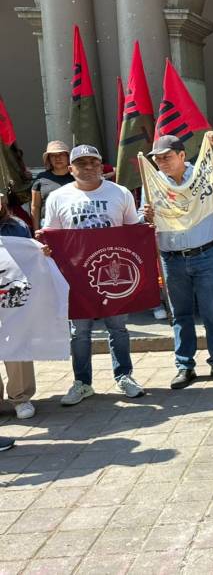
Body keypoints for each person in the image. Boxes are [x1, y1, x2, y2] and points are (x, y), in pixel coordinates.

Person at [39, 144, 146, 405]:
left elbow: (133, 231)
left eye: (93, 162)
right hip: (76, 277)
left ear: (101, 166)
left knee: (118, 328)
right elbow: (52, 235)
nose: (88, 167)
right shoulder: (58, 197)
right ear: (71, 168)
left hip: (113, 273)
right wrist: (44, 245)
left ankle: (124, 376)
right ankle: (83, 383)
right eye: (82, 163)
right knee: (80, 332)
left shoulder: (120, 193)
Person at [141, 132, 213, 390]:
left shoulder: (206, 173)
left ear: (182, 155)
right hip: (171, 259)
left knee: (212, 313)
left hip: (206, 255)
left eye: (167, 157)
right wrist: (145, 217)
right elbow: (142, 220)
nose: (162, 162)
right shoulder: (152, 182)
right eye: (158, 159)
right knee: (180, 314)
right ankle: (185, 365)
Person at [0, 192, 37, 419]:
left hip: (12, 291)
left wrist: (40, 253)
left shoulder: (17, 227)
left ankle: (21, 398)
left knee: (16, 343)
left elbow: (31, 257)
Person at [30, 141, 74, 232]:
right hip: (47, 224)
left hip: (73, 224)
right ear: (49, 159)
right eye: (53, 155)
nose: (58, 158)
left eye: (62, 154)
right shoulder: (41, 178)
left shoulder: (77, 177)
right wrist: (36, 230)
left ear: (68, 157)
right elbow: (35, 206)